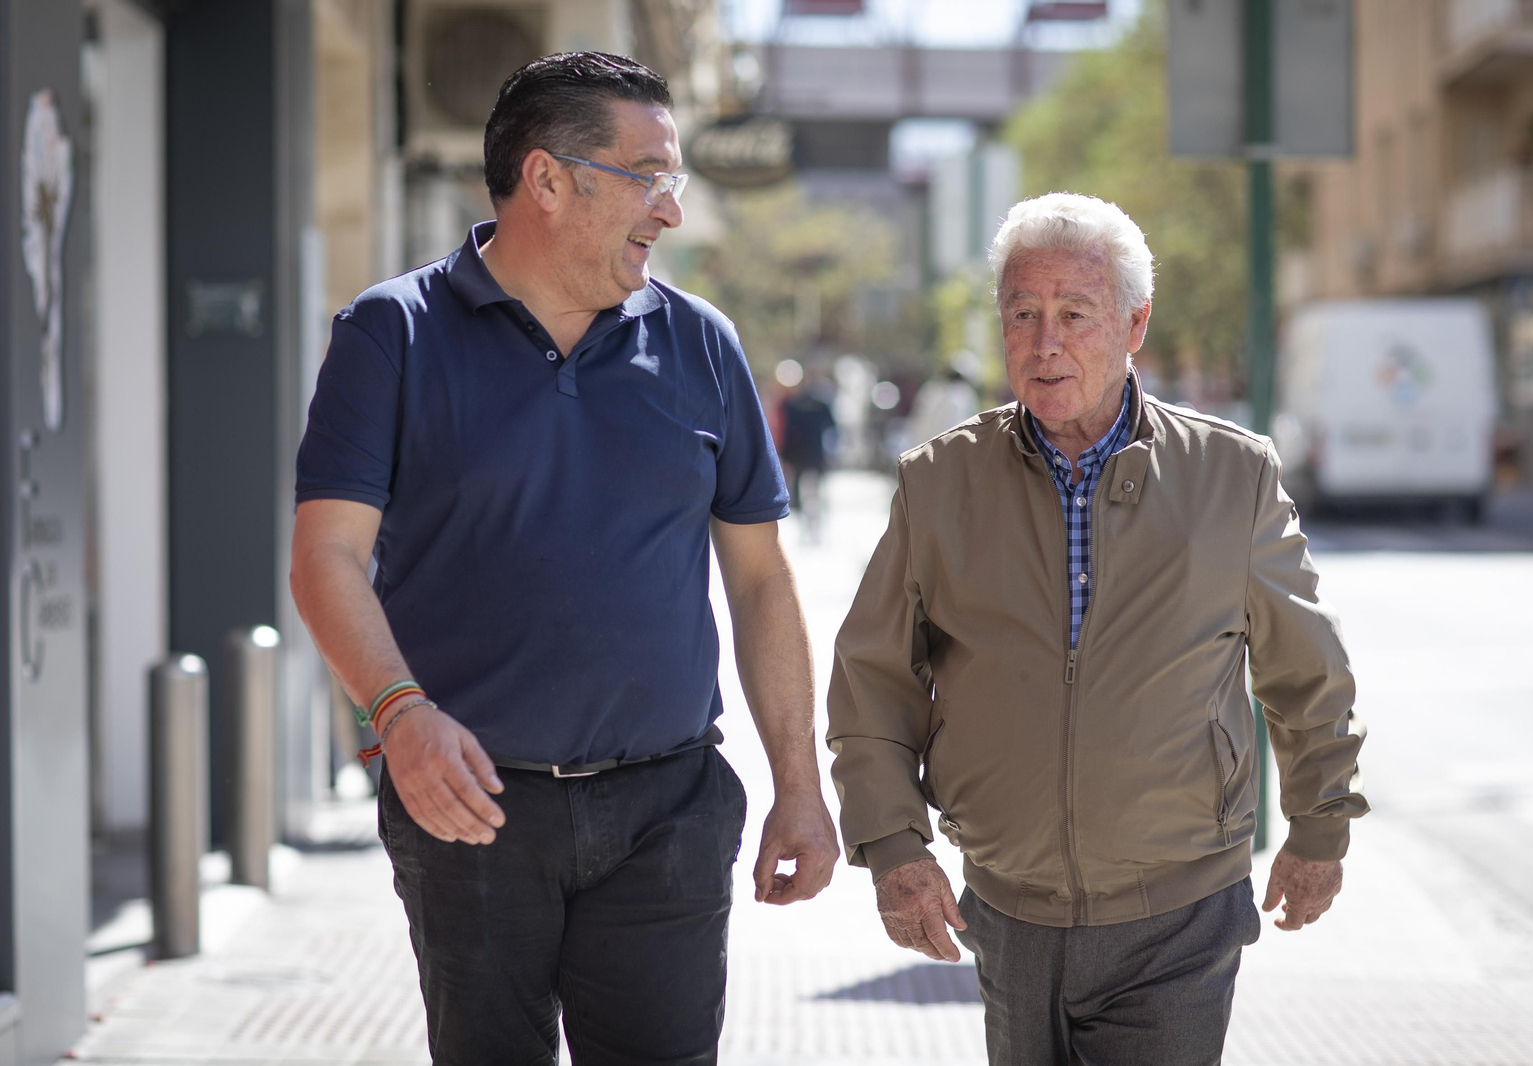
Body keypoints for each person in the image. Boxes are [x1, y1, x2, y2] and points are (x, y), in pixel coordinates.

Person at [291, 52, 839, 1066]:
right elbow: (325, 557)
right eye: (649, 177)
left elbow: (760, 581)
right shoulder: (391, 335)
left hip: (667, 809)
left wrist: (799, 784)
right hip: (468, 812)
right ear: (547, 179)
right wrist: (399, 716)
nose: (670, 213)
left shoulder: (702, 344)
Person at [826, 192, 1367, 1066]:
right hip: (1004, 907)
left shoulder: (1232, 476)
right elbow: (871, 680)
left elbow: (1308, 671)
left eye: (1075, 314)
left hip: (1180, 914)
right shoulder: (938, 483)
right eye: (1022, 314)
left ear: (1133, 323)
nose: (1046, 344)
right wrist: (893, 845)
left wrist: (1319, 827)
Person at [779, 371, 836, 538]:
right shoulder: (795, 405)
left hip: (805, 456)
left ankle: (813, 526)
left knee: (812, 492)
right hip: (807, 456)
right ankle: (809, 527)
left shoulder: (794, 405)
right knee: (806, 493)